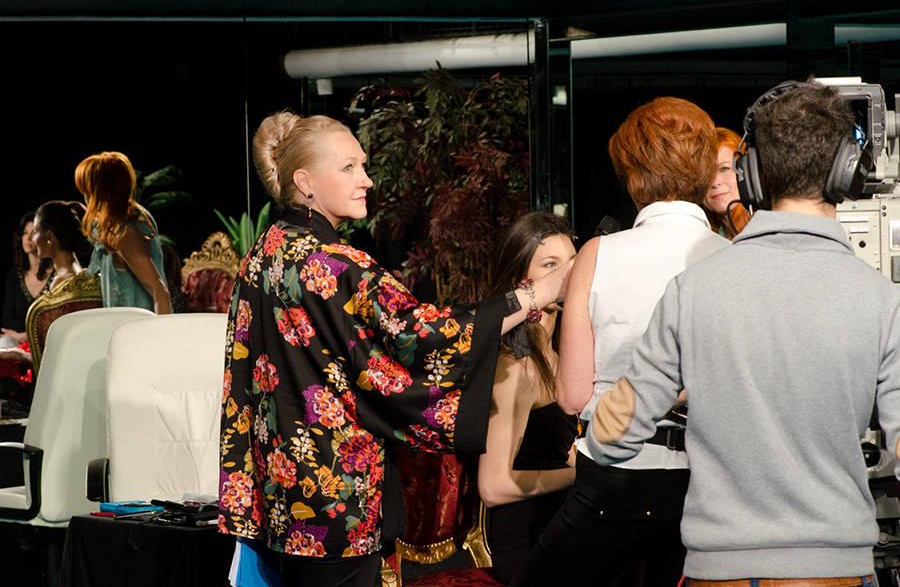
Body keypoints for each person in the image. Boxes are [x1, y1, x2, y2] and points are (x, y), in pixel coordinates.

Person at [218, 112, 572, 586]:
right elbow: (425, 336)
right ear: (305, 182)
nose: (365, 180)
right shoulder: (334, 264)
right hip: (337, 502)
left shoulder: (264, 253)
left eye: (362, 165)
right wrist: (538, 292)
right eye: (348, 168)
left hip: (281, 497)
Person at [583, 82, 896, 584]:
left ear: (751, 174)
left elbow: (611, 436)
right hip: (839, 568)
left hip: (720, 569)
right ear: (847, 171)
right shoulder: (881, 300)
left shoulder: (691, 290)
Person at [513, 97, 730, 587]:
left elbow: (572, 396)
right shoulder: (733, 257)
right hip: (705, 482)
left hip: (614, 474)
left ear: (631, 174)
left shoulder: (599, 253)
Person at [477, 211, 578, 584]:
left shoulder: (560, 351)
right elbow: (493, 487)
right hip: (528, 545)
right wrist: (578, 474)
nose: (569, 273)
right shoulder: (515, 367)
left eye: (573, 262)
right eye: (551, 264)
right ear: (521, 283)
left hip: (560, 523)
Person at [75, 151, 171, 314]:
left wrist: (160, 329)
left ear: (102, 192)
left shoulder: (125, 233)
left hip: (138, 326)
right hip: (122, 323)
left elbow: (159, 291)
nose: (85, 197)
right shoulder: (118, 222)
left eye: (88, 191)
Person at [0, 201, 93, 368]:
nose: (33, 239)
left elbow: (56, 354)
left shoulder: (61, 283)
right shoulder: (84, 275)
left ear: (49, 237)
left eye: (35, 231)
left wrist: (22, 356)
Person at [1, 211, 54, 349]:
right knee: (4, 343)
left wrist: (26, 335)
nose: (28, 238)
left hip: (47, 340)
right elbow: (8, 321)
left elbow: (53, 321)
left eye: (34, 232)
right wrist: (21, 336)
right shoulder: (14, 276)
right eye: (25, 233)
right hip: (17, 341)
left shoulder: (56, 276)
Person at [702, 127, 752, 239]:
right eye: (707, 174)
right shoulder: (703, 236)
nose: (715, 182)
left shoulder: (767, 225)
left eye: (724, 169)